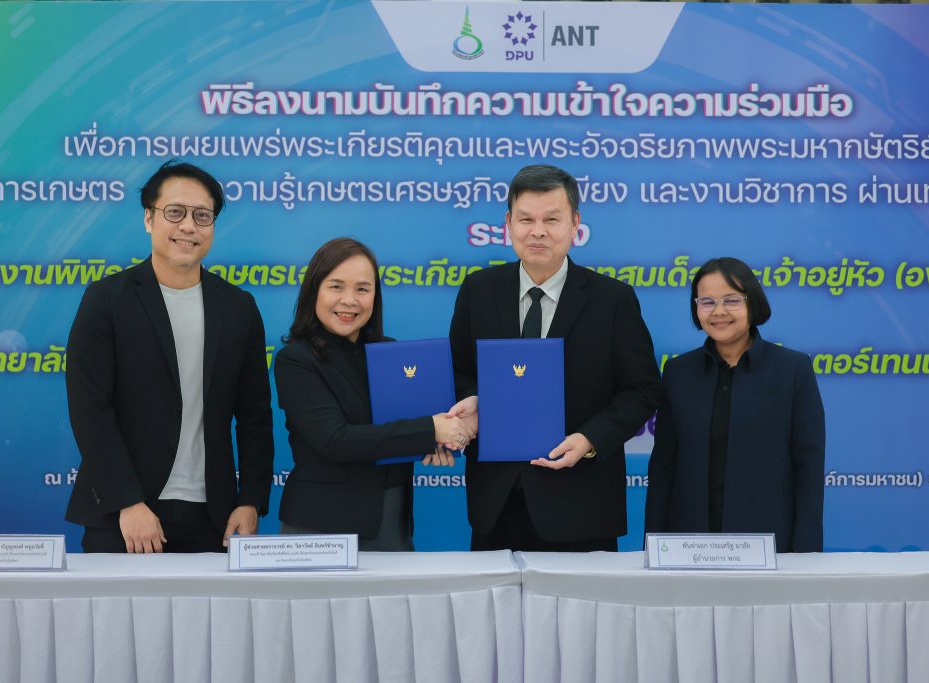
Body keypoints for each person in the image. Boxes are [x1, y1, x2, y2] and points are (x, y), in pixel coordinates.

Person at [448, 164, 662, 552]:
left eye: (551, 219)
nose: (538, 231)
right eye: (526, 219)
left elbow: (642, 390)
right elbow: (459, 371)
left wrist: (590, 439)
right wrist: (474, 401)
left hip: (582, 503)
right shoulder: (478, 290)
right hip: (496, 502)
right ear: (508, 223)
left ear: (575, 223)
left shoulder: (612, 300)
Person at [65, 160, 274, 553]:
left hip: (214, 516)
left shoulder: (238, 307)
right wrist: (127, 501)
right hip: (123, 517)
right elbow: (89, 408)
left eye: (202, 216)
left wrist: (250, 500)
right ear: (149, 219)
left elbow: (255, 416)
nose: (188, 226)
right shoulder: (107, 299)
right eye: (175, 212)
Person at [273, 237, 474, 551]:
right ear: (314, 291)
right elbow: (335, 440)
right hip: (321, 526)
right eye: (336, 286)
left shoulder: (389, 353)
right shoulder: (296, 360)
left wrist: (438, 443)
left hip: (392, 520)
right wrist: (430, 430)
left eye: (363, 289)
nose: (350, 300)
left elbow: (406, 427)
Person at [644, 257, 825, 552]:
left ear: (753, 303)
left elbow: (808, 467)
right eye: (707, 302)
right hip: (689, 544)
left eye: (731, 300)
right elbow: (664, 467)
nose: (719, 312)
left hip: (769, 544)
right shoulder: (678, 373)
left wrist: (806, 552)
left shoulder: (793, 369)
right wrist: (653, 546)